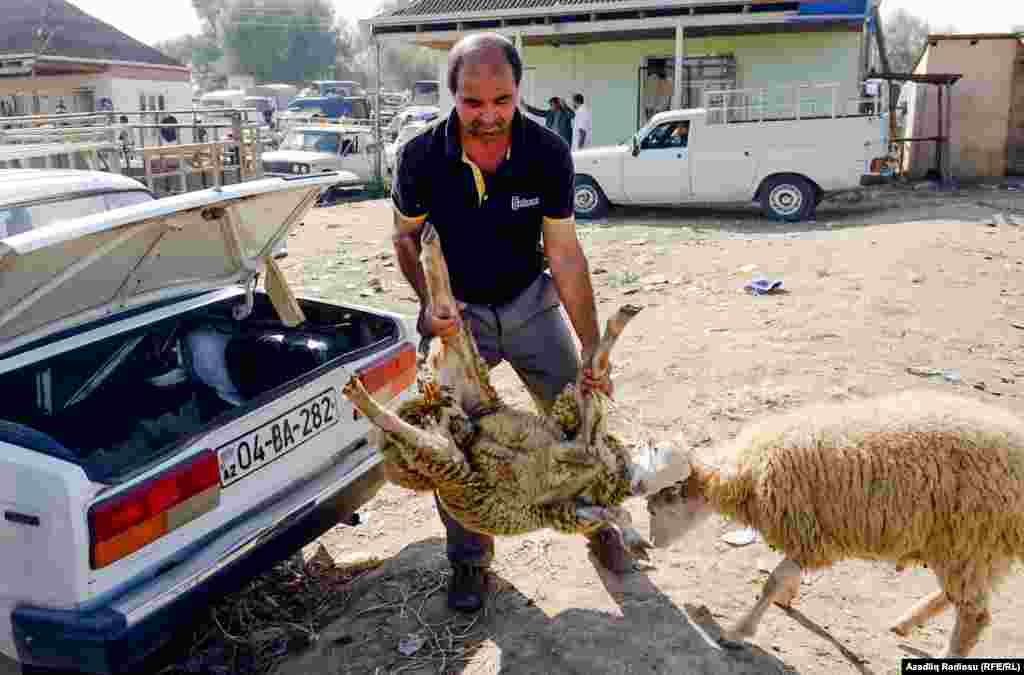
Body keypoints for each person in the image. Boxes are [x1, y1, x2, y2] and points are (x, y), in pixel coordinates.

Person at [390, 32, 628, 614]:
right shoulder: (420, 156)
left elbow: (565, 254)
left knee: (577, 414)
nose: (490, 116)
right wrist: (429, 302)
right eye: (474, 103)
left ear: (518, 92)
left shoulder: (547, 152)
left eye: (503, 101)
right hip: (459, 316)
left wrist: (593, 345)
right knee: (453, 445)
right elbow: (405, 236)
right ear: (453, 95)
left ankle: (599, 523)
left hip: (529, 299)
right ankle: (470, 561)